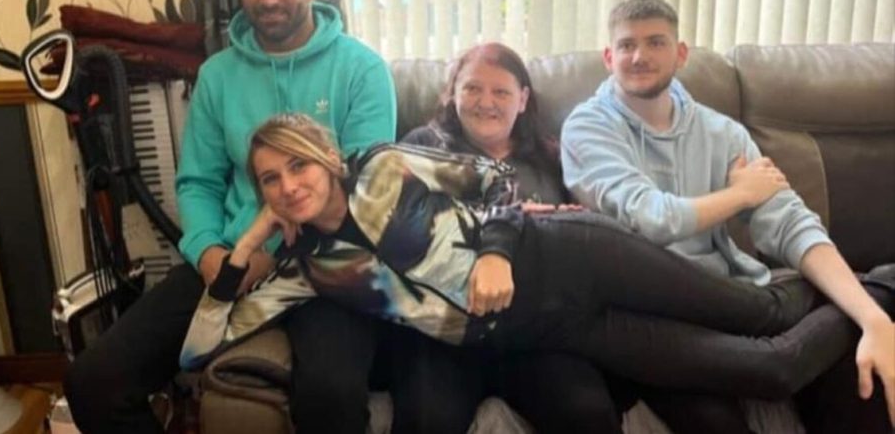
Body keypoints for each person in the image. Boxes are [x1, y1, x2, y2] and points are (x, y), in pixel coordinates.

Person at [179, 113, 849, 405]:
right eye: (270, 180)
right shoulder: (311, 273)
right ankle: (879, 296)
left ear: (326, 158)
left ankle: (861, 292)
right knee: (770, 369)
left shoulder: (384, 166)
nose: (289, 185)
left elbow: (496, 179)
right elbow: (199, 351)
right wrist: (246, 244)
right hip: (560, 331)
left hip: (572, 257)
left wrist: (494, 255)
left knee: (760, 312)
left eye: (299, 165)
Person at [63, 0, 397, 434]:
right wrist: (209, 253)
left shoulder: (362, 70)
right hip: (231, 260)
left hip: (326, 267)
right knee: (93, 381)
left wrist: (270, 253)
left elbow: (364, 191)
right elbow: (197, 182)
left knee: (331, 395)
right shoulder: (218, 75)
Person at [560, 0, 895, 431]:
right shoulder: (587, 127)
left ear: (681, 54)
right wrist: (740, 196)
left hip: (729, 298)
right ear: (609, 57)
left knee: (857, 374)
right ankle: (886, 285)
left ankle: (878, 296)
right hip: (648, 313)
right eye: (626, 46)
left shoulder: (721, 132)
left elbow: (789, 223)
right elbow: (649, 219)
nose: (639, 56)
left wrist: (873, 320)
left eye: (656, 42)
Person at [396, 42, 623, 433]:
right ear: (452, 95)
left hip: (538, 334)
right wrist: (510, 219)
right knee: (427, 418)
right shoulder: (421, 148)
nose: (487, 102)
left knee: (588, 412)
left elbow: (588, 237)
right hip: (446, 336)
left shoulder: (551, 157)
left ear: (523, 100)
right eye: (472, 89)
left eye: (501, 91)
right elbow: (398, 232)